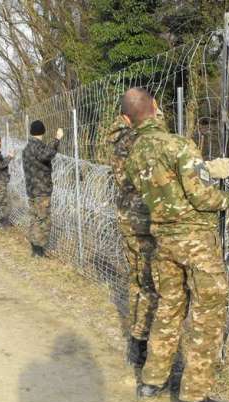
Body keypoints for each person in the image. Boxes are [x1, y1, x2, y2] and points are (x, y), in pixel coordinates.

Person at [123, 88, 229, 402]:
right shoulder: (178, 144)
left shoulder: (134, 153)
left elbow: (165, 189)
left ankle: (152, 380)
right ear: (156, 107)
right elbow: (202, 198)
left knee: (168, 307)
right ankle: (193, 397)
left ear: (128, 119)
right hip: (195, 240)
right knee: (208, 312)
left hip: (163, 240)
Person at [105, 115, 158, 368]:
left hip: (126, 214)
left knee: (136, 279)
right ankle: (141, 342)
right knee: (149, 281)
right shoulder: (139, 139)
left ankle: (137, 340)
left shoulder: (117, 140)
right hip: (143, 217)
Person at [22, 120, 63, 257]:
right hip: (41, 190)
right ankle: (39, 250)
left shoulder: (27, 148)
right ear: (42, 131)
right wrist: (57, 139)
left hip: (31, 189)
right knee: (43, 220)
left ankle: (35, 248)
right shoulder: (37, 147)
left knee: (34, 218)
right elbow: (46, 154)